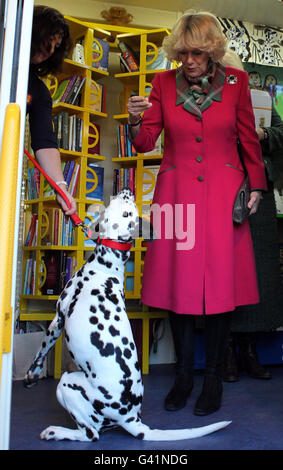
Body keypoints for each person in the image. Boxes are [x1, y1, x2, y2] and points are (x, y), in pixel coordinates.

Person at [127, 11, 267, 416]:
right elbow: (145, 141)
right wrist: (136, 119)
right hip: (176, 195)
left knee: (221, 290)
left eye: (197, 53)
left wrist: (256, 184)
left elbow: (246, 139)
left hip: (224, 195)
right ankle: (184, 377)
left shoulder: (238, 84)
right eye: (183, 52)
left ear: (212, 51)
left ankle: (212, 381)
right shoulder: (162, 83)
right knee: (179, 286)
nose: (189, 61)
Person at [220, 51, 283, 382]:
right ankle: (227, 353)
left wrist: (261, 136)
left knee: (260, 273)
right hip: (222, 191)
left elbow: (282, 134)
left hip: (260, 188)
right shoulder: (209, 99)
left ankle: (251, 352)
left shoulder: (261, 100)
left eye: (234, 73)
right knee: (226, 273)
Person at [27, 5, 76, 216]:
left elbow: (45, 141)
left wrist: (61, 188)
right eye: (49, 40)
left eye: (56, 45)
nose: (51, 50)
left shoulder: (39, 90)